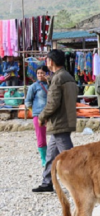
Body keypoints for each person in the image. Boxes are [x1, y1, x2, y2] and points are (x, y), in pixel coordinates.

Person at [32, 49, 78, 193]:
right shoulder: (67, 76)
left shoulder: (58, 79)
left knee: (69, 156)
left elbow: (53, 103)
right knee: (51, 155)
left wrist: (41, 116)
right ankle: (47, 182)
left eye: (47, 60)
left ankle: (80, 182)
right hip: (65, 119)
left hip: (59, 121)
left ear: (51, 61)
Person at [25, 66, 49, 167]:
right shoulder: (33, 87)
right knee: (41, 137)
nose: (40, 75)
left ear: (47, 74)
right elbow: (27, 101)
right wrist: (34, 112)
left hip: (51, 114)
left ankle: (52, 156)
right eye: (38, 73)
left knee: (55, 137)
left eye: (42, 73)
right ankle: (44, 159)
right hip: (39, 115)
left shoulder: (51, 85)